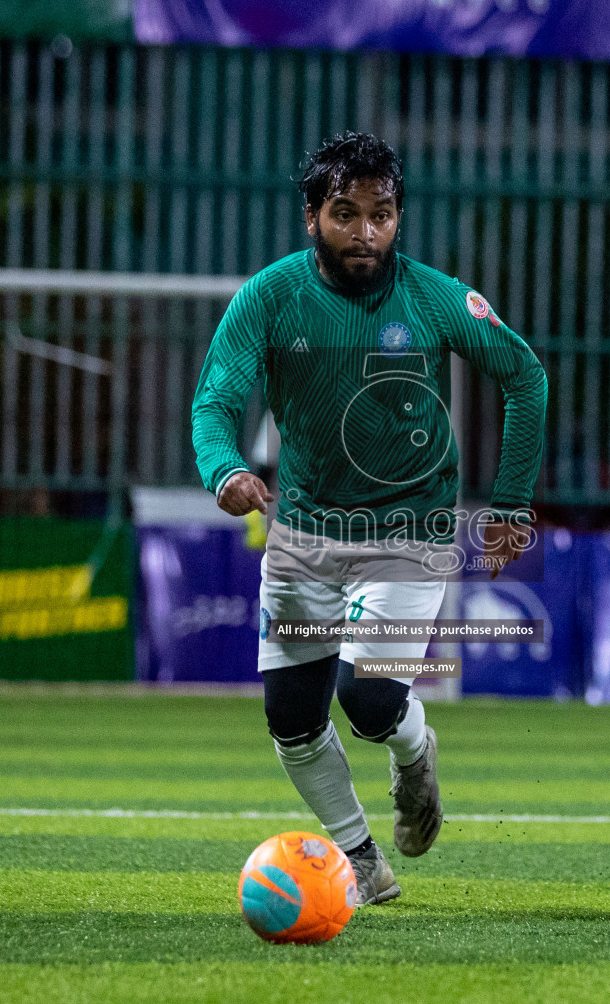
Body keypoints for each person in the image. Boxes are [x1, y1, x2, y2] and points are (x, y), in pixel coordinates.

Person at [191, 131, 547, 905]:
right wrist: (224, 468)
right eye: (345, 214)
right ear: (311, 216)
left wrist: (512, 499)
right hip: (304, 529)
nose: (365, 233)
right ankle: (360, 857)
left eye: (380, 214)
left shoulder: (433, 298)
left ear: (398, 218)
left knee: (370, 698)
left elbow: (524, 376)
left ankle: (414, 754)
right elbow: (216, 398)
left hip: (408, 529)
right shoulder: (271, 296)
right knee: (290, 718)